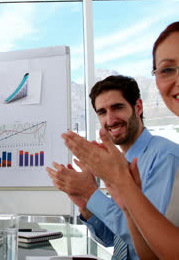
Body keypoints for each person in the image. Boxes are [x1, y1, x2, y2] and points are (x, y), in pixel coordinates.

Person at [62, 21, 179, 259]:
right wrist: (86, 205)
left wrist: (93, 193)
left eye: (117, 107)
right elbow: (114, 237)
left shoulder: (164, 156)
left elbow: (152, 239)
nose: (110, 119)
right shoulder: (119, 161)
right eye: (102, 112)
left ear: (138, 107)